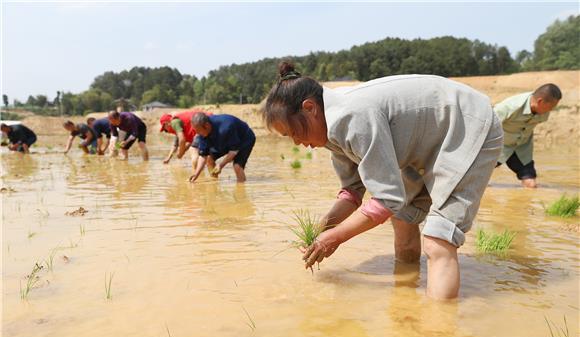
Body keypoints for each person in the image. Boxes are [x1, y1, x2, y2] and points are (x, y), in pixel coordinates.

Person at [262, 62, 504, 300]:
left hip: (467, 126)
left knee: (439, 239)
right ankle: (405, 303)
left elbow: (387, 200)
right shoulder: (330, 132)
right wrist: (321, 230)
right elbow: (352, 192)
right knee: (403, 220)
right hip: (422, 147)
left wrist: (335, 237)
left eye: (294, 132)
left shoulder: (352, 117)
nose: (296, 143)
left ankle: (437, 331)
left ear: (309, 108)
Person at [494, 83, 561, 188]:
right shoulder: (510, 107)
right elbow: (486, 126)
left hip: (521, 149)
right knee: (475, 177)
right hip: (499, 146)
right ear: (540, 101)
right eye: (551, 107)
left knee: (531, 185)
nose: (551, 110)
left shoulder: (543, 111)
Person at [188, 112, 256, 183]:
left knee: (237, 167)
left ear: (207, 125)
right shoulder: (202, 133)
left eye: (198, 131)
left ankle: (241, 187)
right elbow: (203, 156)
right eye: (196, 131)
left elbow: (233, 151)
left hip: (245, 139)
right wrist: (196, 174)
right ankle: (215, 184)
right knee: (209, 160)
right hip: (222, 139)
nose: (197, 133)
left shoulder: (226, 127)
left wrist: (221, 165)